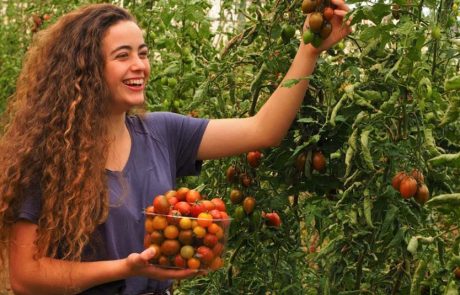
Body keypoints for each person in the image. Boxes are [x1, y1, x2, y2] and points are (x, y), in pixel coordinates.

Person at [0, 1, 351, 295]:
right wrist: (124, 268)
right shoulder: (47, 156)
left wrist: (309, 50)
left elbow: (263, 130)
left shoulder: (162, 132)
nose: (140, 65)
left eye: (143, 53)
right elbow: (25, 277)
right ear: (85, 70)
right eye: (123, 56)